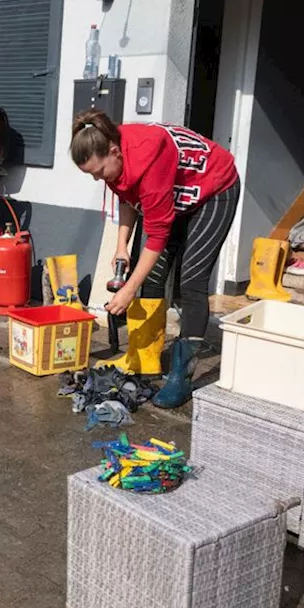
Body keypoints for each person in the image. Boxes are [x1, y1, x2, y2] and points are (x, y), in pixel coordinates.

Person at [69, 110, 241, 408]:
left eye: (98, 171)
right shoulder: (112, 152)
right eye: (91, 174)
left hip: (214, 189)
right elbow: (126, 194)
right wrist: (121, 245)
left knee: (191, 281)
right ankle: (146, 358)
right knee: (152, 275)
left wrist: (128, 288)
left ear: (114, 152)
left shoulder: (150, 159)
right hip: (173, 193)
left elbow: (158, 235)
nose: (97, 178)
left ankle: (181, 378)